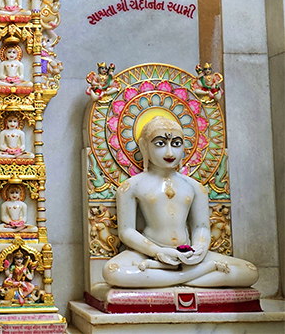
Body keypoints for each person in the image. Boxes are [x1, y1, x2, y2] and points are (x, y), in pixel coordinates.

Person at [102, 116, 258, 288]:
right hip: (148, 254)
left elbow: (201, 227)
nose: (170, 153)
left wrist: (199, 248)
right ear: (144, 146)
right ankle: (200, 273)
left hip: (188, 253)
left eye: (176, 144)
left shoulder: (195, 187)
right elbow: (127, 231)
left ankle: (168, 277)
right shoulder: (131, 187)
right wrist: (157, 251)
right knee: (113, 271)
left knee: (249, 271)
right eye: (160, 144)